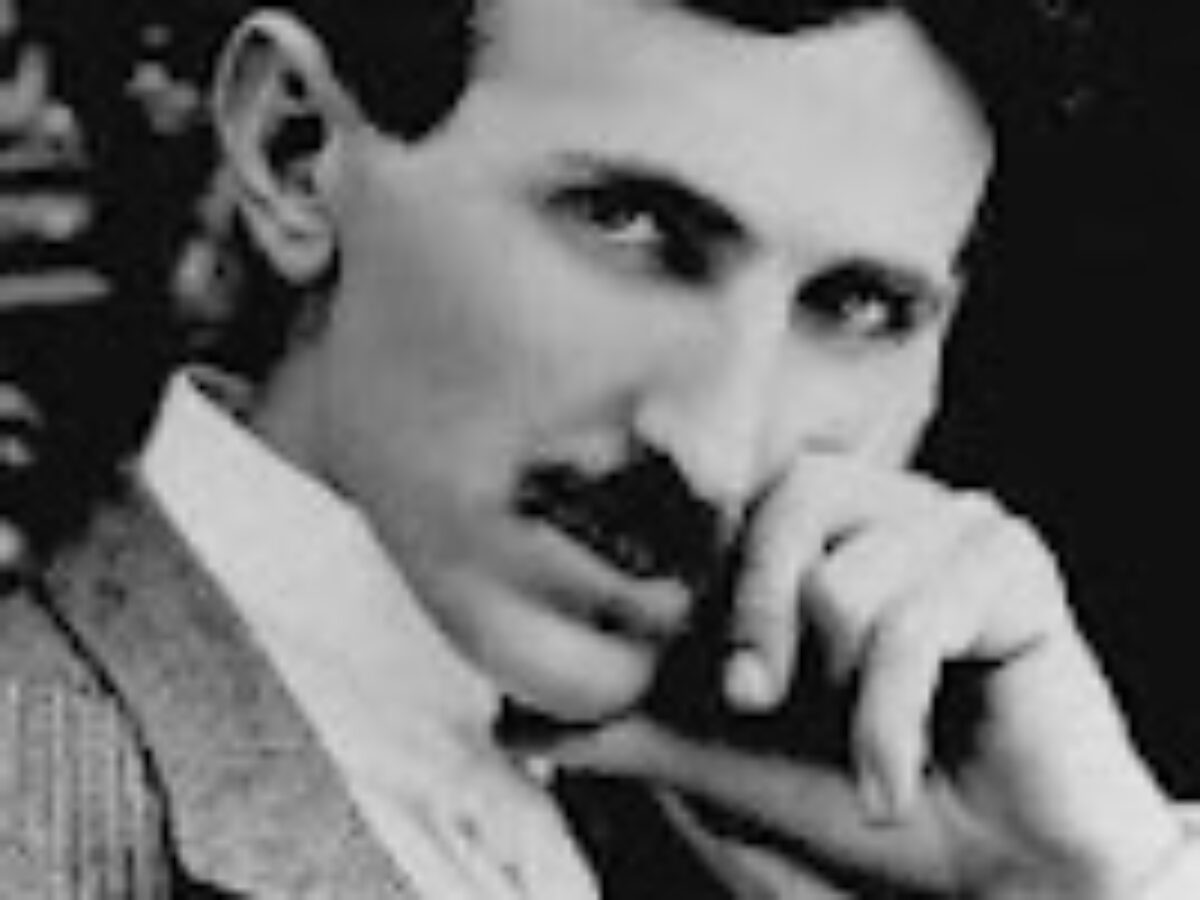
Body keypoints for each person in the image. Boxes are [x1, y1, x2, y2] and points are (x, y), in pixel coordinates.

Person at [2, 0, 1199, 896]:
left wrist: (1094, 878)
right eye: (631, 225)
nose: (718, 454)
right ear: (296, 152)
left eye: (860, 308)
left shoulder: (817, 838)